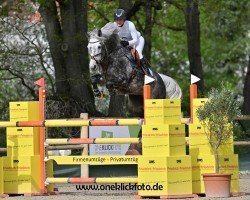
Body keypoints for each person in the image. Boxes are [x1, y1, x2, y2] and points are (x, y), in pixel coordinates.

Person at [113, 9, 152, 76]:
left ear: (124, 19)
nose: (118, 21)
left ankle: (148, 74)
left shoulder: (130, 24)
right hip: (126, 44)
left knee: (138, 54)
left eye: (120, 19)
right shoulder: (114, 25)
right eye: (117, 20)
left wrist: (127, 43)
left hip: (138, 41)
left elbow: (135, 40)